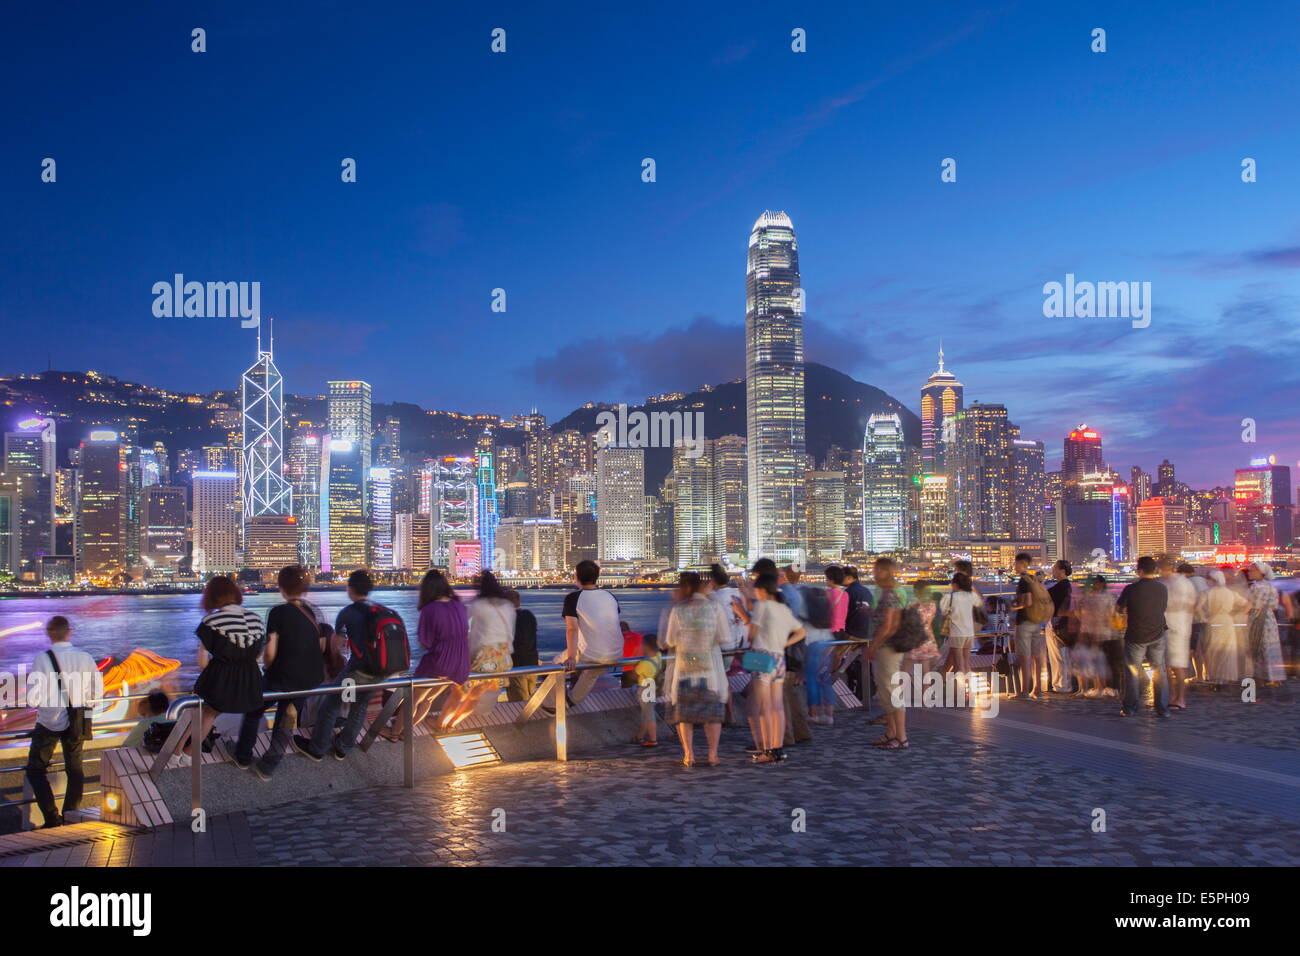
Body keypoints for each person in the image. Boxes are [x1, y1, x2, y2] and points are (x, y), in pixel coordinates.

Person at [232, 565, 325, 779]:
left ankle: (243, 756)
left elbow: (270, 650)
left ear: (281, 587)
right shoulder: (312, 612)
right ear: (305, 588)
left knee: (254, 709)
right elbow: (321, 647)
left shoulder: (278, 612)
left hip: (281, 675)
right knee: (287, 718)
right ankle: (268, 766)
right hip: (309, 677)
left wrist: (267, 667)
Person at [293, 569, 384, 762]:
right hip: (378, 669)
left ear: (350, 589)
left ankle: (317, 749)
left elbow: (337, 644)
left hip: (358, 667)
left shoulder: (348, 613)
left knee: (330, 704)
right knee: (359, 706)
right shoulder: (380, 611)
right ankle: (343, 747)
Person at [25, 617, 99, 828]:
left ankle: (51, 817)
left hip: (48, 722)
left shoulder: (42, 659)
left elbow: (32, 698)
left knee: (36, 769)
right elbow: (97, 691)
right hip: (77, 722)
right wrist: (85, 704)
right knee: (75, 768)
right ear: (69, 632)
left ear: (49, 634)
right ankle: (71, 816)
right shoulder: (85, 657)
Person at [663, 571, 732, 767]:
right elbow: (726, 638)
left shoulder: (679, 609)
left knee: (685, 715)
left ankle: (689, 754)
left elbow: (670, 639)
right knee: (712, 714)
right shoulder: (714, 607)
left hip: (684, 668)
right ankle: (712, 754)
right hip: (709, 669)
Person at [192, 576, 265, 754]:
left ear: (211, 596)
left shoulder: (211, 622)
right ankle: (244, 753)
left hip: (221, 679)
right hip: (252, 683)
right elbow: (258, 658)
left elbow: (202, 660)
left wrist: (209, 678)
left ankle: (184, 752)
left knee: (201, 711)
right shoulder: (256, 619)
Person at [395, 569, 469, 737]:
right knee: (428, 699)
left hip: (439, 663)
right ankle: (406, 731)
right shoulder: (459, 605)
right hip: (460, 663)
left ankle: (395, 731)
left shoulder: (431, 609)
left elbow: (425, 642)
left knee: (413, 698)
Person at [438, 571, 514, 731]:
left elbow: (462, 630)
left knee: (458, 692)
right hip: (503, 659)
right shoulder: (508, 605)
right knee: (475, 696)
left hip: (483, 657)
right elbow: (511, 634)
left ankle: (441, 724)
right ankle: (452, 724)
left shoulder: (478, 605)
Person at [746, 573, 806, 764]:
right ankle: (777, 748)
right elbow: (801, 632)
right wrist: (784, 644)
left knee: (765, 706)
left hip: (763, 657)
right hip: (779, 657)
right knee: (777, 705)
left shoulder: (762, 606)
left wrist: (742, 613)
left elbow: (751, 634)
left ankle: (768, 750)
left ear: (762, 590)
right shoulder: (782, 608)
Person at [558, 560, 624, 707]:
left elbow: (572, 629)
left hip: (592, 653)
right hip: (616, 652)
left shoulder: (573, 598)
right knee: (591, 672)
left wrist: (570, 657)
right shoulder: (610, 596)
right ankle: (570, 701)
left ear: (577, 576)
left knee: (555, 665)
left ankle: (553, 702)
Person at [1116, 556, 1171, 717]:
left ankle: (1130, 708)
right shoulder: (1162, 589)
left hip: (1136, 635)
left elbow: (1119, 608)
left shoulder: (1131, 589)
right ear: (1154, 570)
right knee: (1159, 671)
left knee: (1133, 672)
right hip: (1158, 633)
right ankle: (1162, 708)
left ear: (1139, 571)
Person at [865, 557, 908, 750]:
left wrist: (873, 646)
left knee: (891, 691)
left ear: (886, 571)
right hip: (886, 646)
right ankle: (891, 733)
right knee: (885, 691)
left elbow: (889, 626)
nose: (874, 573)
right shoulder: (887, 592)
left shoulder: (891, 593)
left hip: (888, 647)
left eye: (877, 570)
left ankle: (901, 737)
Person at [1196, 569, 1249, 687]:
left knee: (1214, 650)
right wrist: (1237, 615)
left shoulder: (1207, 592)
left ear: (1213, 580)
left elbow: (1197, 607)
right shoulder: (1230, 593)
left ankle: (1215, 676)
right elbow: (1247, 603)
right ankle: (1227, 677)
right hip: (1228, 622)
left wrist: (1204, 618)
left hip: (1213, 621)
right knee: (1228, 651)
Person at [1159, 557, 1197, 710]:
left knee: (1178, 665)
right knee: (1167, 665)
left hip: (1178, 628)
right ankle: (1172, 696)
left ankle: (1180, 698)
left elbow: (1188, 604)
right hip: (1165, 627)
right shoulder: (1164, 582)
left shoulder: (1181, 583)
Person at [1244, 561, 1289, 685]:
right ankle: (1275, 678)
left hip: (1257, 619)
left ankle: (1259, 678)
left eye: (1252, 570)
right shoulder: (1271, 586)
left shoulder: (1255, 587)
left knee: (1257, 649)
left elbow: (1250, 606)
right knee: (1271, 648)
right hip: (1270, 619)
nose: (1249, 572)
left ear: (1261, 572)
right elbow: (1274, 606)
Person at [1010, 553, 1046, 699]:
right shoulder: (1033, 579)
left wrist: (1013, 607)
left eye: (1015, 563)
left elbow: (1028, 602)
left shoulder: (1024, 581)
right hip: (1036, 621)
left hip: (1025, 622)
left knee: (1024, 656)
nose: (1014, 566)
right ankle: (1037, 689)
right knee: (1036, 656)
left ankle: (1024, 691)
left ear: (1021, 563)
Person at [1075, 575, 1118, 697]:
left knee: (1094, 660)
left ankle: (1097, 687)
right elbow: (1112, 615)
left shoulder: (1086, 598)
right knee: (1100, 660)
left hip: (1089, 631)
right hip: (1104, 633)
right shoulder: (1109, 598)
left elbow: (1078, 613)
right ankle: (1101, 687)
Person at [939, 572, 980, 683]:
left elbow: (944, 614)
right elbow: (979, 604)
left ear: (955, 584)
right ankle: (969, 692)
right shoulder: (971, 596)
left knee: (959, 665)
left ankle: (961, 694)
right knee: (966, 663)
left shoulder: (950, 597)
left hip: (957, 633)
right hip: (969, 633)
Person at [1045, 560, 1075, 693]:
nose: (1053, 570)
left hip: (1057, 622)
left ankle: (1061, 685)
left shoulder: (1058, 588)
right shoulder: (1070, 586)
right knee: (1066, 655)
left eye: (1055, 568)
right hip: (1069, 623)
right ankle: (1065, 684)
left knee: (1057, 655)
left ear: (1062, 571)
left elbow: (1044, 597)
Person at [506, 589, 539, 703]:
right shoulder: (529, 615)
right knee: (531, 700)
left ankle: (525, 721)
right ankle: (534, 720)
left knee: (519, 702)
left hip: (516, 666)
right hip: (532, 664)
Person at [631, 633, 664, 747]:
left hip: (646, 688)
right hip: (655, 686)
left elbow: (633, 676)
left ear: (646, 646)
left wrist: (635, 656)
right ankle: (640, 737)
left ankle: (653, 740)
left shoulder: (644, 663)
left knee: (649, 714)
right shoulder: (659, 656)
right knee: (646, 713)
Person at [707, 564, 749, 653]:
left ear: (713, 580)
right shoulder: (737, 592)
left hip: (725, 643)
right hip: (742, 639)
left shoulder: (714, 597)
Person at [1181, 563, 1209, 681]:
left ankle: (1198, 676)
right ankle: (1208, 674)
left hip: (1194, 620)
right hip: (1208, 620)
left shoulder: (1187, 583)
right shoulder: (1203, 582)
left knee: (1196, 650)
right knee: (1205, 649)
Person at [620, 620, 644, 687]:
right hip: (643, 668)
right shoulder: (639, 636)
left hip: (628, 671)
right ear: (628, 628)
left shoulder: (619, 639)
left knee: (626, 693)